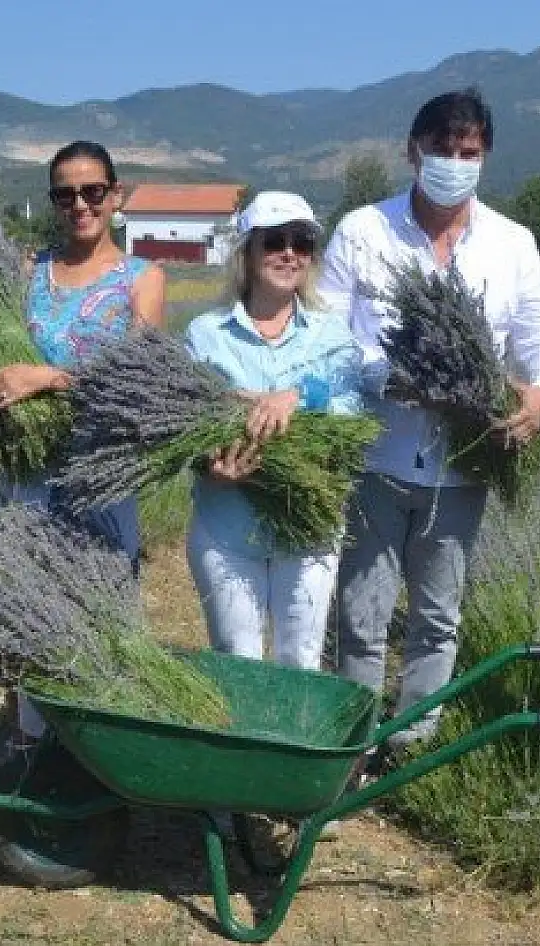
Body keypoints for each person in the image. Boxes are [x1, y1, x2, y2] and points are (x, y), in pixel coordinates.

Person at [318, 88, 540, 752]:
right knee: (361, 613)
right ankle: (352, 746)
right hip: (375, 455)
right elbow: (328, 337)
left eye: (469, 153)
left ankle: (411, 744)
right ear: (413, 151)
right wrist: (390, 377)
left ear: (484, 158)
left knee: (436, 617)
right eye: (441, 150)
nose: (454, 163)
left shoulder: (510, 243)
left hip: (463, 466)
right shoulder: (362, 231)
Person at [0, 140, 167, 560]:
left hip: (96, 468)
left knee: (96, 597)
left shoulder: (143, 279)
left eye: (93, 192)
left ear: (115, 195)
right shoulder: (28, 270)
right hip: (21, 467)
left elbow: (137, 384)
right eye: (64, 195)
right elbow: (0, 353)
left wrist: (45, 378)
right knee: (17, 597)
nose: (80, 205)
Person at [185, 192, 363, 670]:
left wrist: (299, 397)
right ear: (247, 252)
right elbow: (181, 423)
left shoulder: (332, 334)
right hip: (227, 527)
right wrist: (210, 464)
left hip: (308, 533)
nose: (289, 253)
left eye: (301, 243)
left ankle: (287, 745)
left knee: (300, 662)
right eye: (274, 242)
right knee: (236, 662)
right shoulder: (205, 334)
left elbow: (353, 414)